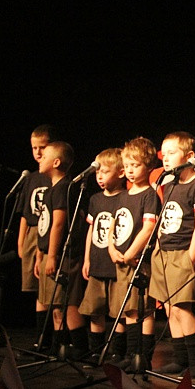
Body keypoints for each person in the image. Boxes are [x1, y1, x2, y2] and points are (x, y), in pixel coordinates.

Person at [148, 131, 195, 379]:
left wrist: (190, 259)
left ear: (189, 156)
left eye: (172, 153)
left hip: (184, 253)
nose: (165, 158)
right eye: (164, 153)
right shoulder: (170, 184)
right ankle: (180, 360)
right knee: (170, 309)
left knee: (183, 308)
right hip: (164, 252)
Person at [109, 137, 161, 371]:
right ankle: (130, 354)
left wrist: (131, 252)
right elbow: (114, 224)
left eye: (136, 165)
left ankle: (144, 355)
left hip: (139, 261)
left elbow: (149, 227)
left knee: (143, 309)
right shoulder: (122, 195)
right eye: (127, 165)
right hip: (121, 261)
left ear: (148, 167)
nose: (130, 170)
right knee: (127, 309)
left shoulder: (149, 195)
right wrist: (112, 247)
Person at [33, 141, 88, 358]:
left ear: (56, 162)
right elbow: (44, 226)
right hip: (48, 253)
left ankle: (82, 349)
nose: (40, 158)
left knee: (68, 302)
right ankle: (59, 347)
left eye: (44, 155)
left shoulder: (64, 187)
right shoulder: (52, 188)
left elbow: (57, 223)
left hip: (63, 255)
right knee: (55, 304)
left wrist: (52, 256)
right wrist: (40, 254)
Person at [78, 148, 126, 361]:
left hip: (116, 264)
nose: (99, 177)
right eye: (98, 172)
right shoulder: (96, 199)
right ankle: (95, 350)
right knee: (95, 309)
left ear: (121, 173)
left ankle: (117, 352)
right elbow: (91, 229)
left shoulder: (126, 198)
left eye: (105, 172)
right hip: (97, 262)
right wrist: (87, 258)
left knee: (118, 312)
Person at [17, 125, 55, 350]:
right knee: (36, 289)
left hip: (47, 232)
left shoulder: (54, 178)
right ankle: (41, 338)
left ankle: (52, 338)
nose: (38, 153)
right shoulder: (30, 178)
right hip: (32, 232)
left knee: (47, 288)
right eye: (34, 148)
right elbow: (25, 213)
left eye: (43, 148)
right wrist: (21, 242)